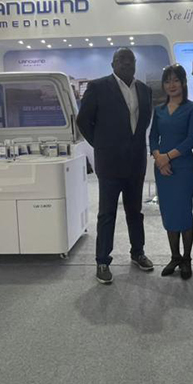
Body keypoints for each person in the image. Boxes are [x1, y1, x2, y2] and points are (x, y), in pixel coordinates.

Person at [76, 48, 154, 285]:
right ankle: (102, 260)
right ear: (112, 64)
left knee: (135, 212)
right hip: (109, 163)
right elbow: (83, 121)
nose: (126, 63)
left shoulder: (145, 90)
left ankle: (138, 252)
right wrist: (101, 145)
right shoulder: (98, 87)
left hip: (136, 163)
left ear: (135, 63)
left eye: (130, 60)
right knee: (107, 213)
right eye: (121, 60)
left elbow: (144, 122)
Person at [149, 64, 193, 280]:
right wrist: (158, 158)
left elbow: (191, 139)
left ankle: (186, 259)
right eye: (167, 81)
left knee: (184, 213)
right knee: (169, 212)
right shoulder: (159, 110)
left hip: (182, 168)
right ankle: (175, 256)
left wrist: (166, 157)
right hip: (163, 169)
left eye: (176, 80)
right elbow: (153, 137)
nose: (171, 85)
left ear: (183, 83)